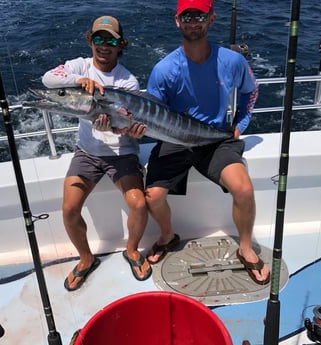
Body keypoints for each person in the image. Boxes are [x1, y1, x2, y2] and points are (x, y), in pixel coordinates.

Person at [144, 0, 271, 285]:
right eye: (186, 16)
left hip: (216, 139)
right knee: (152, 196)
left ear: (211, 19)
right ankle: (167, 235)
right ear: (177, 21)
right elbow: (152, 113)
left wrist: (240, 125)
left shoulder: (233, 61)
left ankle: (246, 248)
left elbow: (251, 92)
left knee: (244, 188)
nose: (193, 22)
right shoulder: (164, 70)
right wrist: (133, 129)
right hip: (177, 139)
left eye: (199, 16)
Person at [42, 15, 151, 291]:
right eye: (99, 39)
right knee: (69, 208)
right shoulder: (80, 65)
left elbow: (125, 124)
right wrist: (79, 80)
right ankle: (86, 258)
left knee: (138, 203)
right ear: (91, 40)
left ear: (120, 44)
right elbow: (48, 79)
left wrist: (120, 129)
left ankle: (133, 250)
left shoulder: (128, 81)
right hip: (87, 152)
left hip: (122, 152)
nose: (104, 45)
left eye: (111, 40)